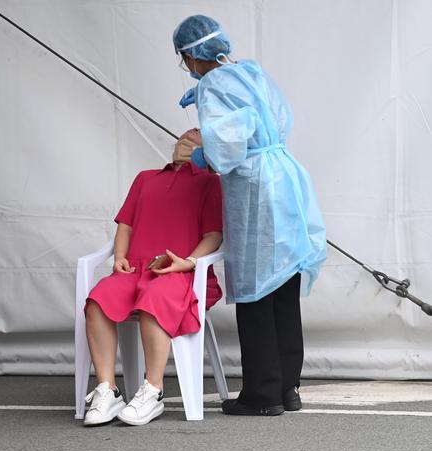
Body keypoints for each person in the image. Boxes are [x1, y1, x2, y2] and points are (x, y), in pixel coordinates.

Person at [172, 15, 327, 416]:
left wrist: (204, 154)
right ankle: (289, 388)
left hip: (255, 187)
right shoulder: (249, 72)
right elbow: (266, 119)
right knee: (284, 285)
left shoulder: (212, 85)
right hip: (285, 179)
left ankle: (262, 394)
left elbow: (228, 149)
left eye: (184, 60)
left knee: (257, 291)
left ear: (190, 56)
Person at [83, 134, 223, 426]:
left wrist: (188, 263)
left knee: (154, 299)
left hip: (181, 273)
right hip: (135, 270)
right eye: (187, 134)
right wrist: (119, 256)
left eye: (198, 134)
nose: (190, 136)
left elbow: (213, 235)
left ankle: (153, 390)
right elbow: (126, 224)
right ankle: (107, 389)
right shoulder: (145, 178)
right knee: (98, 299)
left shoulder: (210, 182)